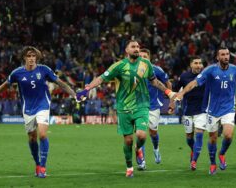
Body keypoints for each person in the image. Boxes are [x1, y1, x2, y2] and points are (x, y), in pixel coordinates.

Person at [76, 40, 176, 178]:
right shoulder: (118, 66)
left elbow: (154, 81)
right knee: (128, 140)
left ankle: (138, 148)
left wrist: (168, 92)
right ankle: (129, 167)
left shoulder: (145, 64)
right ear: (126, 50)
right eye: (133, 47)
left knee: (141, 135)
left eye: (138, 47)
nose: (136, 49)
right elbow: (101, 78)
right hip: (124, 108)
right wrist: (87, 89)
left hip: (142, 106)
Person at [0, 46, 77, 178]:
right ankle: (37, 163)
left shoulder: (44, 70)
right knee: (32, 137)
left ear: (36, 58)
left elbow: (60, 83)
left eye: (33, 56)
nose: (31, 59)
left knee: (42, 135)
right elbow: (5, 85)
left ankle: (43, 166)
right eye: (29, 56)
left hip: (43, 105)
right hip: (28, 108)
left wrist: (73, 94)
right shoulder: (17, 73)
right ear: (24, 58)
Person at [175, 47, 236, 175]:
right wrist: (182, 93)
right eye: (222, 55)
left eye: (227, 54)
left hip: (228, 108)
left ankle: (222, 154)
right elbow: (194, 82)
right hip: (212, 110)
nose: (225, 57)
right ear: (218, 57)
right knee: (212, 138)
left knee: (228, 135)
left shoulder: (235, 70)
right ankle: (213, 163)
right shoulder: (210, 70)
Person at [139, 48, 172, 165]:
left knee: (153, 132)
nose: (142, 58)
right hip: (138, 106)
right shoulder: (133, 69)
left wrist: (171, 100)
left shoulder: (157, 70)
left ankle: (156, 148)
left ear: (149, 58)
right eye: (140, 56)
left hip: (153, 106)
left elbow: (168, 83)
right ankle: (141, 161)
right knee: (140, 133)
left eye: (145, 56)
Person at [174, 56, 207, 171]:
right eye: (196, 63)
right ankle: (194, 150)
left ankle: (194, 161)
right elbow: (176, 89)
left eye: (200, 63)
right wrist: (172, 101)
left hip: (202, 111)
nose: (198, 65)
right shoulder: (184, 76)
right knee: (189, 137)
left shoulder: (206, 75)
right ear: (191, 65)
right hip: (187, 111)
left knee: (199, 134)